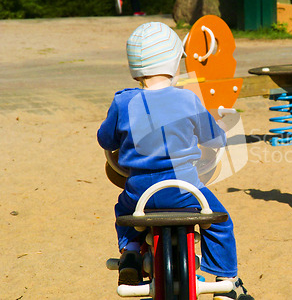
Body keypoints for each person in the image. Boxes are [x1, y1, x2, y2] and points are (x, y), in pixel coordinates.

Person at [97, 22, 253, 300]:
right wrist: (219, 129)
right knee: (219, 222)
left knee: (123, 210)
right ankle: (225, 281)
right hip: (184, 192)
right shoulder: (187, 99)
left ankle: (130, 253)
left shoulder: (123, 102)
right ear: (172, 62)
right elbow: (214, 139)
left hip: (139, 194)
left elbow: (105, 140)